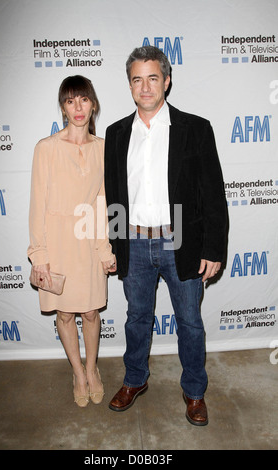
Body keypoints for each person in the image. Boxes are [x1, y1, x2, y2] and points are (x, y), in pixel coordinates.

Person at [104, 46, 228, 425]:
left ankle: (194, 392)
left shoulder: (195, 128)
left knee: (190, 322)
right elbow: (114, 194)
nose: (145, 87)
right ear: (129, 85)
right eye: (137, 79)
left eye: (153, 78)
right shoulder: (116, 133)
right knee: (136, 317)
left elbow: (213, 193)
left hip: (181, 241)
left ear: (167, 81)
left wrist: (212, 247)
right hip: (135, 242)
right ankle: (135, 380)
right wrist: (115, 245)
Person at [28, 75, 116, 408]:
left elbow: (103, 203)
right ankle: (78, 374)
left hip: (88, 240)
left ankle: (92, 370)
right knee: (64, 315)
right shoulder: (46, 148)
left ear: (93, 104)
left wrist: (105, 250)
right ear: (63, 107)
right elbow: (38, 204)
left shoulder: (103, 148)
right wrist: (40, 254)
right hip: (58, 243)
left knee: (91, 312)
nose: (77, 107)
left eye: (83, 99)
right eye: (70, 100)